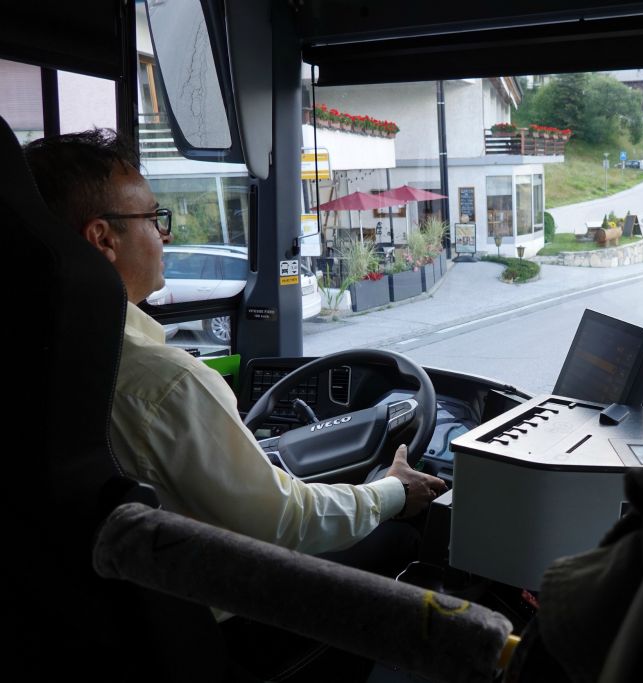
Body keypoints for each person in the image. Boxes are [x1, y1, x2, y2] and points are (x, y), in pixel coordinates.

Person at [24, 129, 447, 562]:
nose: (163, 235)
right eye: (153, 218)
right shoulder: (165, 385)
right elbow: (285, 522)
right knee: (405, 540)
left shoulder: (39, 357)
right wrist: (394, 491)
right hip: (222, 605)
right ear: (103, 239)